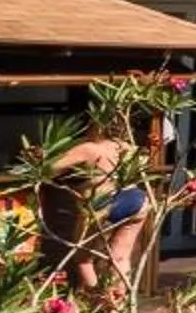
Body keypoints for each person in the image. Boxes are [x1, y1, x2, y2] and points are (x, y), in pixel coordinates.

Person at [52, 115, 156, 302]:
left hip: (104, 202)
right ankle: (118, 302)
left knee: (83, 257)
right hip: (136, 200)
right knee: (121, 257)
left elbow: (50, 167)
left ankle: (99, 301)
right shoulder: (130, 149)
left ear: (97, 127)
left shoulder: (89, 149)